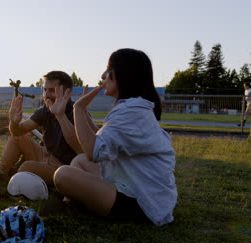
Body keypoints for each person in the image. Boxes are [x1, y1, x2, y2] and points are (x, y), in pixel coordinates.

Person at [53, 49, 177, 226]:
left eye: (108, 69)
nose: (103, 76)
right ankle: (69, 203)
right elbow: (101, 141)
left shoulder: (130, 112)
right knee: (79, 161)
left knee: (62, 175)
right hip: (139, 190)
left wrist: (78, 110)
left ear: (124, 74)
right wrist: (84, 112)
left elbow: (92, 150)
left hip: (143, 205)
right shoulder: (132, 108)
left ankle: (74, 204)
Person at [0, 71, 84, 185]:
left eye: (52, 90)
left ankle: (18, 180)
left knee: (26, 168)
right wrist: (14, 122)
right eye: (45, 90)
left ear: (67, 92)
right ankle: (0, 171)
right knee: (17, 138)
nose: (46, 95)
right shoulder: (45, 111)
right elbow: (17, 131)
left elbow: (81, 149)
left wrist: (60, 115)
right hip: (46, 154)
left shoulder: (78, 112)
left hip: (64, 166)